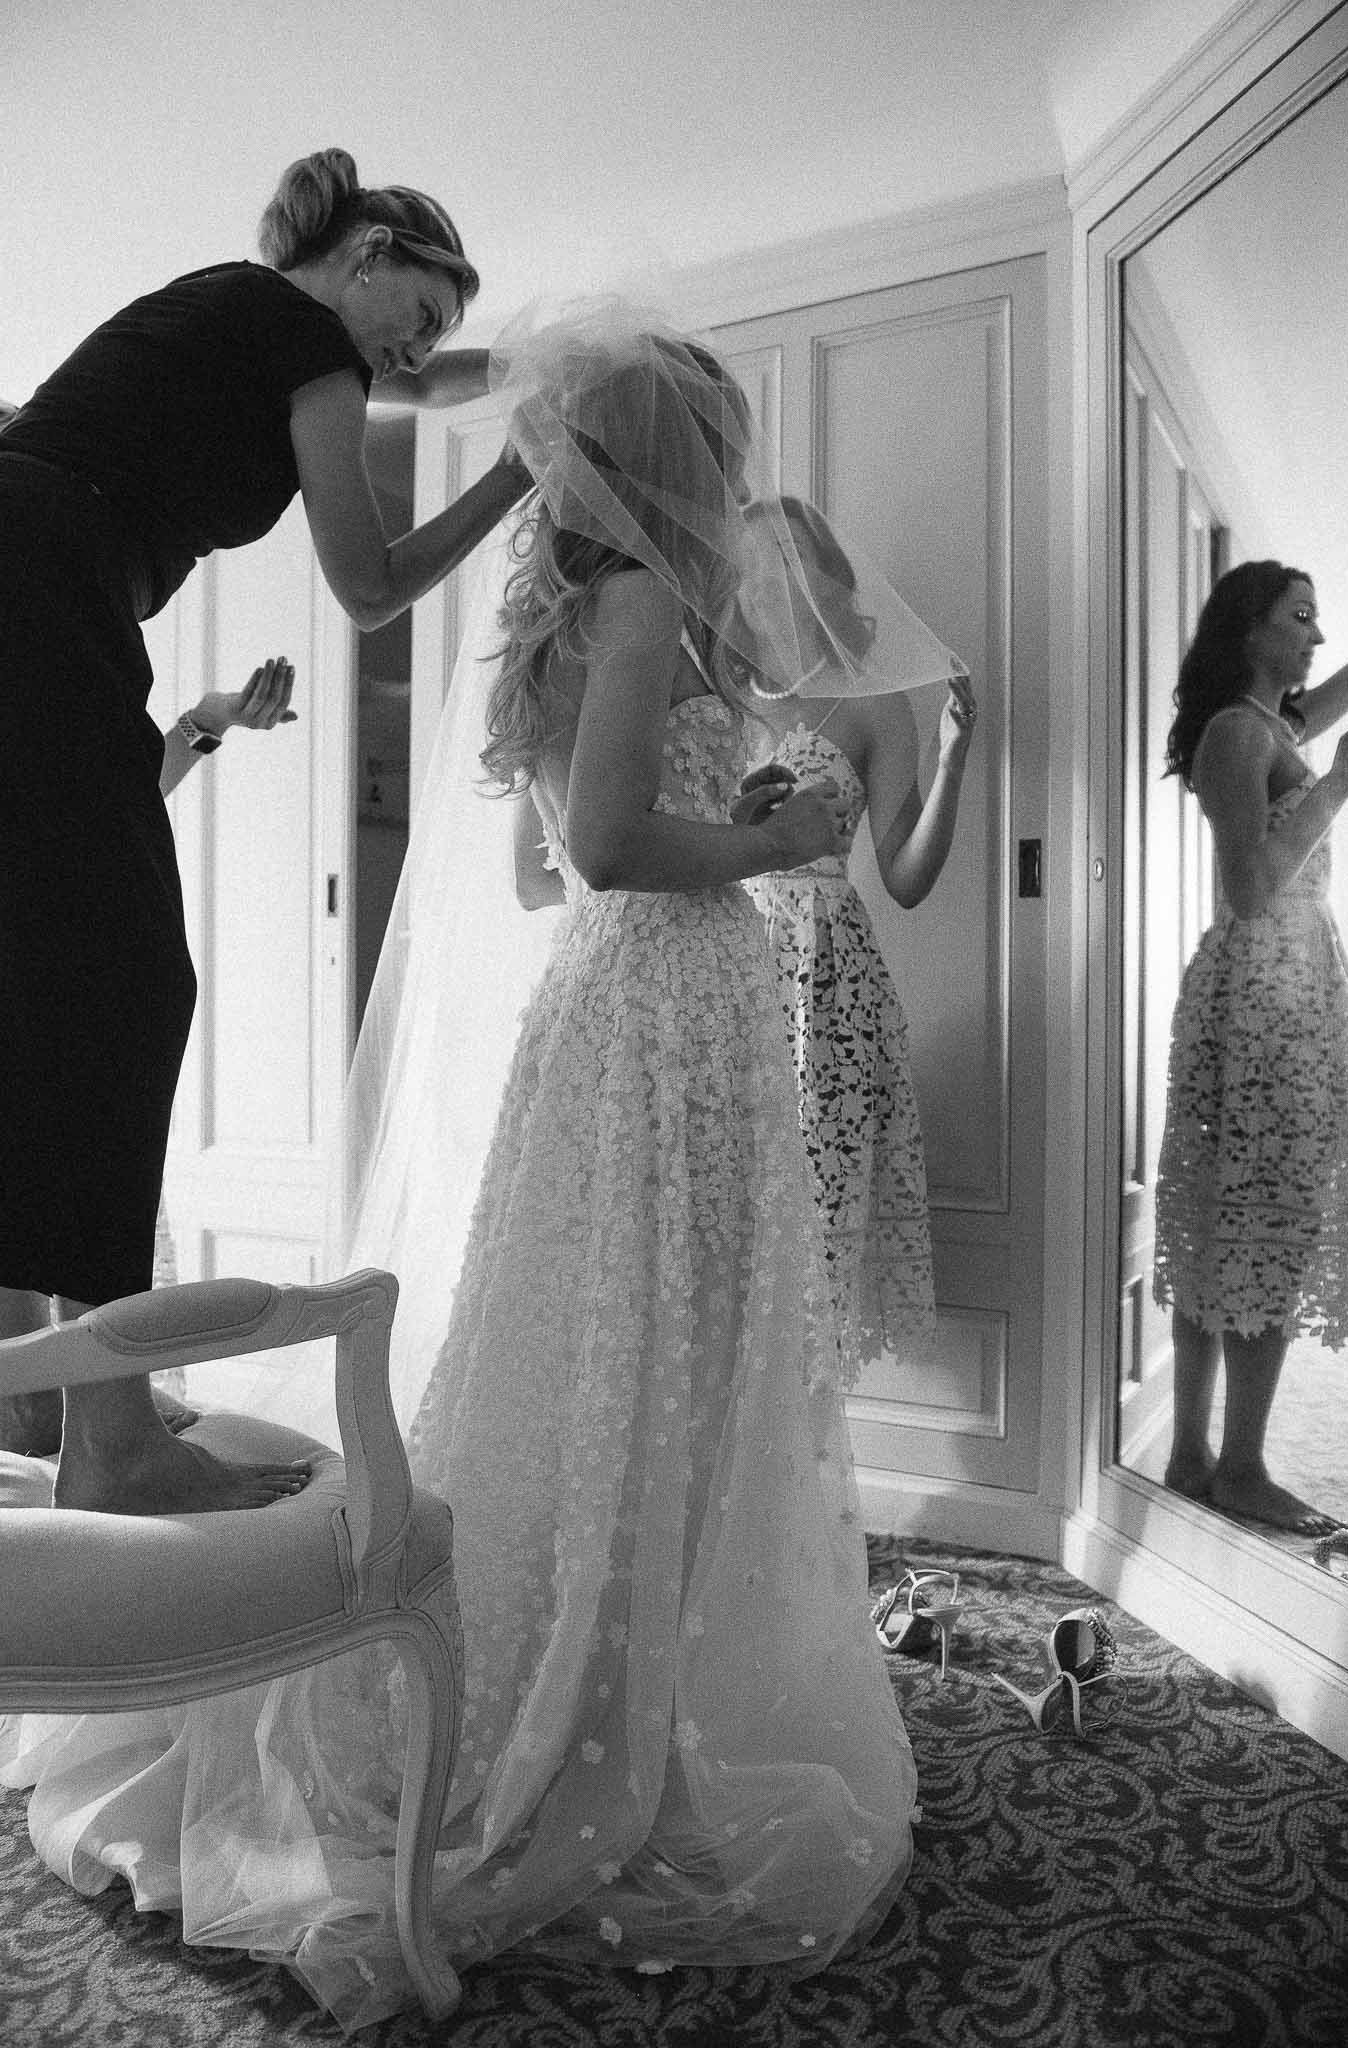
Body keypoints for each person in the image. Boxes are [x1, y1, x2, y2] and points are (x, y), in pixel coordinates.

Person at [1, 304, 959, 2029]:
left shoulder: (589, 602)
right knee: (658, 1349)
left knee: (622, 1353)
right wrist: (773, 833)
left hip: (631, 1013)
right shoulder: (650, 597)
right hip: (666, 1013)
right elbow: (601, 846)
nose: (732, 471)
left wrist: (716, 816)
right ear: (676, 457)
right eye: (715, 443)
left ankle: (607, 1665)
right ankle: (596, 1700)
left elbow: (542, 875)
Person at [0, 147, 529, 1515]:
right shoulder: (300, 334)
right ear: (366, 257)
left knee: (49, 981)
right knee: (122, 986)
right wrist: (516, 474)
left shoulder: (222, 313)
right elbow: (367, 585)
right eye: (415, 319)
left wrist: (211, 713)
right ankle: (104, 1436)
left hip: (41, 589)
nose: (408, 358)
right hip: (38, 587)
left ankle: (51, 1383)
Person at [0, 655, 298, 1457]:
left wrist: (204, 723)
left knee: (50, 1185)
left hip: (62, 959)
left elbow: (107, 806)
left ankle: (47, 1407)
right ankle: (34, 1412)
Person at [731, 497, 976, 1372]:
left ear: (826, 576)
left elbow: (906, 878)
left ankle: (804, 1447)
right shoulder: (709, 695)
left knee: (818, 1204)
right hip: (725, 955)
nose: (771, 576)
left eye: (789, 557)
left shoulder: (877, 711)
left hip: (828, 979)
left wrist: (952, 759)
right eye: (753, 559)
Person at [1152, 560, 1348, 1535]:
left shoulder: (1265, 725)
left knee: (1211, 1218)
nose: (1315, 636)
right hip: (1267, 994)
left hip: (1259, 990)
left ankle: (1191, 1452)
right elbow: (1247, 886)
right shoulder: (1240, 733)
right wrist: (1342, 788)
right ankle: (1237, 1463)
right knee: (1265, 1221)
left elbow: (1326, 695)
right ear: (1250, 629)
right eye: (1301, 616)